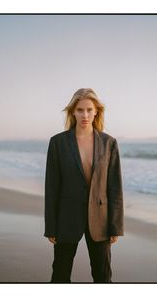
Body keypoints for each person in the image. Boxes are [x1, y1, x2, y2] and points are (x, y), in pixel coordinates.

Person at [44, 88, 124, 283]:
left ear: (97, 111)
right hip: (66, 218)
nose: (85, 115)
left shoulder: (109, 143)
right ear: (73, 112)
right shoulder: (58, 143)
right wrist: (51, 226)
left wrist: (115, 226)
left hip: (101, 221)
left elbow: (114, 187)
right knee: (60, 276)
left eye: (89, 109)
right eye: (80, 110)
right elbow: (52, 187)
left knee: (103, 277)